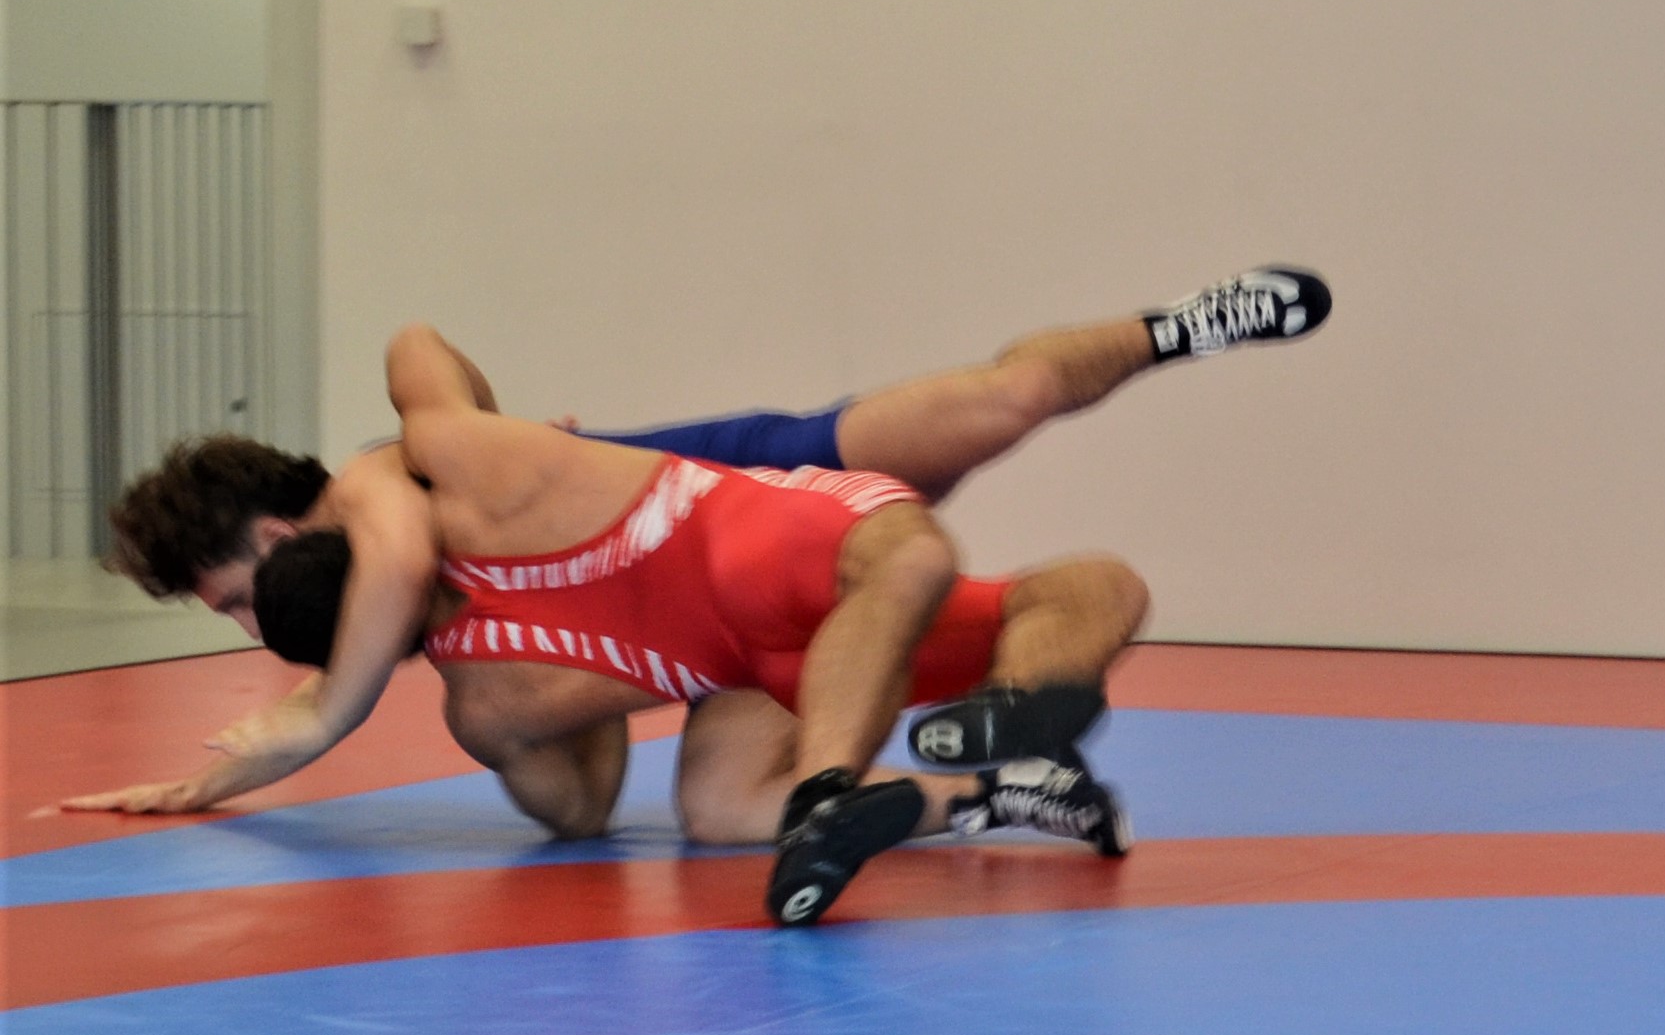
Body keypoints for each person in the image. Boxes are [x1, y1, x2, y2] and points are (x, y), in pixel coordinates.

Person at [63, 266, 1329, 818]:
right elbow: (571, 776)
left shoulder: (377, 486)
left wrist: (304, 729)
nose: (257, 633)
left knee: (1006, 398)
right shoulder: (441, 622)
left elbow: (405, 452)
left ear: (281, 529)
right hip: (701, 603)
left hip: (736, 479)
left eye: (235, 599)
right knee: (728, 791)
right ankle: (998, 764)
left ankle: (1182, 325)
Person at [249, 324, 1149, 924]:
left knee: (919, 562)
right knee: (719, 808)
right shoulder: (469, 466)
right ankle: (1014, 785)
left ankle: (960, 733)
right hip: (767, 642)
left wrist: (340, 710)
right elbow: (414, 342)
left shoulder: (485, 712)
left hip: (779, 565)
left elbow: (578, 812)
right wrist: (395, 474)